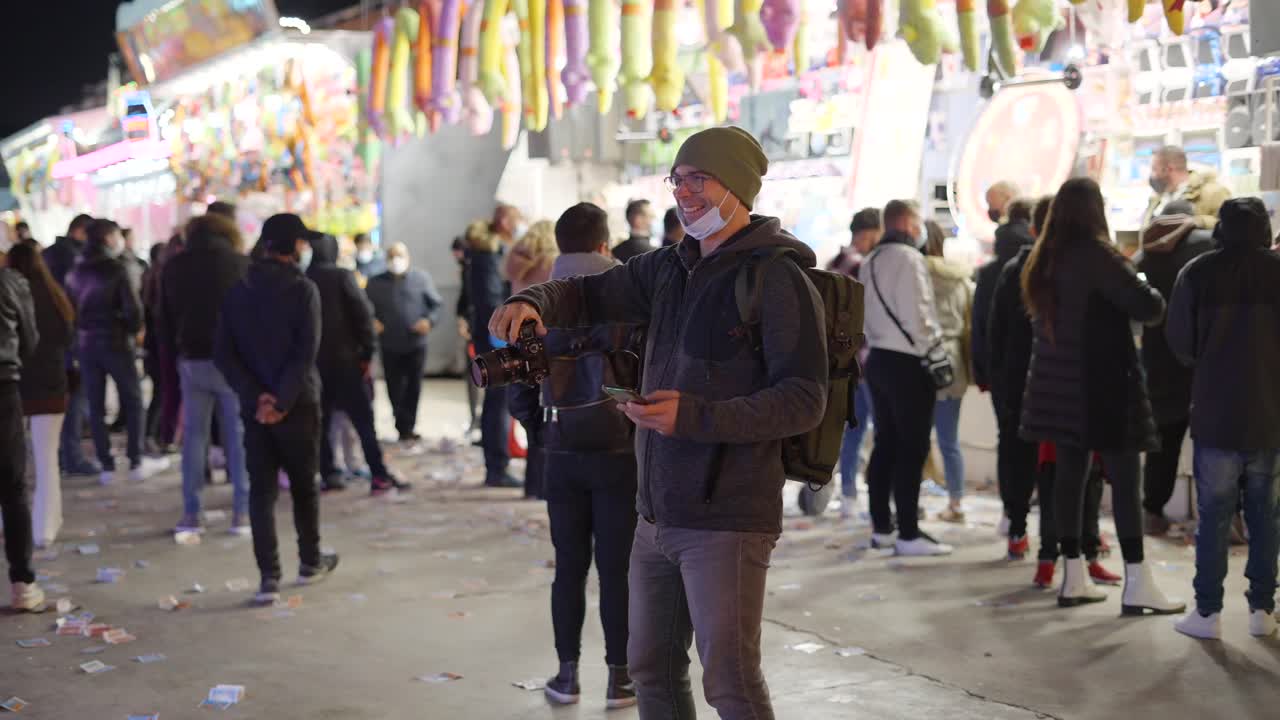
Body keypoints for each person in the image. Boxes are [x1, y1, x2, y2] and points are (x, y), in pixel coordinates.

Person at [493, 126, 827, 718]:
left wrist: (693, 416)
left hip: (727, 519)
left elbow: (803, 399)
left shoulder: (777, 278)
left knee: (730, 682)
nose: (685, 192)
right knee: (649, 670)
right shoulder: (667, 269)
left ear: (738, 186)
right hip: (654, 516)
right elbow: (589, 293)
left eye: (700, 179)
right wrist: (533, 301)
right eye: (679, 178)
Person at [1019, 177, 1184, 614]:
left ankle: (1073, 577)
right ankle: (1138, 582)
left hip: (1057, 389)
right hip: (1103, 384)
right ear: (1095, 210)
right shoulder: (1098, 255)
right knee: (1126, 481)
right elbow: (1150, 306)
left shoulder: (1045, 258)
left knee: (1070, 478)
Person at [508, 202, 640, 709]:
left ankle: (567, 678)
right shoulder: (629, 297)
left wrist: (543, 434)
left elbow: (519, 390)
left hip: (561, 453)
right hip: (620, 453)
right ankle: (620, 679)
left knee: (569, 568)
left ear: (559, 246)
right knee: (617, 569)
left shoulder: (536, 303)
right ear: (605, 245)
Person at [1166, 197, 1280, 640]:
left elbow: (1181, 343)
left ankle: (1208, 612)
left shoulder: (1196, 273)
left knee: (1213, 516)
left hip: (1216, 412)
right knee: (1266, 516)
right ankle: (1263, 610)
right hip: (1270, 416)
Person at [214, 213, 339, 604]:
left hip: (256, 410)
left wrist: (257, 397)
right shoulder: (303, 290)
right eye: (302, 242)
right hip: (298, 404)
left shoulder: (238, 291)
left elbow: (224, 354)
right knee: (304, 487)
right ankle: (310, 562)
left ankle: (268, 576)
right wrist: (282, 400)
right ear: (293, 247)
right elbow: (305, 353)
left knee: (261, 491)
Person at [861, 199, 952, 556]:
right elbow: (920, 316)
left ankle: (882, 528)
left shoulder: (870, 261)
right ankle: (909, 533)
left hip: (877, 360)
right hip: (908, 363)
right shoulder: (910, 259)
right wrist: (935, 352)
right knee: (913, 449)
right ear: (909, 224)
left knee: (884, 445)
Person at [159, 213, 250, 535]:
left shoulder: (174, 267)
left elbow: (164, 319)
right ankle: (242, 513)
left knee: (194, 438)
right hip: (232, 361)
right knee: (237, 437)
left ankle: (191, 514)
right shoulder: (240, 264)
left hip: (191, 359)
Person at [65, 219, 167, 485]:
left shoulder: (75, 271)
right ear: (109, 238)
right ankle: (135, 460)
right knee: (132, 400)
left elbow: (69, 311)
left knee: (96, 405)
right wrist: (133, 329)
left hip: (86, 344)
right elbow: (134, 311)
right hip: (116, 342)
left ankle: (106, 465)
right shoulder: (116, 268)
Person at [1134, 200, 1213, 536]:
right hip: (1203, 359)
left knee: (1163, 443)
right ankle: (1217, 518)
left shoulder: (1144, 255)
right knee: (1213, 445)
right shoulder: (1207, 245)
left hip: (1159, 360)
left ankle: (1152, 511)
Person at [306, 232, 407, 496]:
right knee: (363, 421)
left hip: (315, 365)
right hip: (347, 362)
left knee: (322, 423)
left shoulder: (304, 278)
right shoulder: (342, 276)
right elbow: (363, 314)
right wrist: (367, 352)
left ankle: (330, 473)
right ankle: (378, 474)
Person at [973, 196, 1035, 547]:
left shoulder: (991, 270)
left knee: (1009, 442)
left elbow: (982, 327)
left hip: (1002, 375)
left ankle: (1013, 517)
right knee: (1045, 449)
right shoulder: (1040, 263)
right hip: (1039, 371)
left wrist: (983, 372)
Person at [8, 243, 73, 549]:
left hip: (13, 386)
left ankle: (8, 522)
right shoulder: (54, 295)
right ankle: (44, 529)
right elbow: (67, 338)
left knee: (10, 462)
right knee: (47, 460)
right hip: (50, 384)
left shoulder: (6, 294)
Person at [829, 208, 881, 517]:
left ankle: (848, 494)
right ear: (868, 234)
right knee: (879, 432)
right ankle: (877, 499)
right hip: (866, 360)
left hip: (841, 364)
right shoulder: (861, 266)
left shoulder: (834, 264)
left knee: (851, 432)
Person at [503, 220, 558, 499]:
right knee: (546, 414)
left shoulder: (515, 263)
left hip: (517, 340)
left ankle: (532, 484)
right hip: (544, 342)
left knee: (528, 413)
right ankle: (544, 483)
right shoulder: (551, 263)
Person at [365, 242, 442, 444]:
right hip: (389, 344)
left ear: (408, 257)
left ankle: (408, 426)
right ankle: (402, 425)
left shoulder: (421, 279)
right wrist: (372, 321)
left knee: (413, 386)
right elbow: (364, 308)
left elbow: (436, 305)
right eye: (391, 256)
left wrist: (429, 321)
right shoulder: (374, 283)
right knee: (394, 386)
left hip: (416, 343)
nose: (395, 260)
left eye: (399, 255)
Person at [923, 220, 973, 522]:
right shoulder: (960, 278)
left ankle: (912, 502)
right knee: (949, 440)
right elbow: (969, 321)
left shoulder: (915, 274)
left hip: (923, 359)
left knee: (916, 438)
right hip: (953, 363)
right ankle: (956, 503)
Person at [43, 214, 98, 476]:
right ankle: (72, 457)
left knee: (57, 401)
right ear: (80, 232)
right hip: (69, 338)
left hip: (47, 340)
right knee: (75, 398)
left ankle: (61, 456)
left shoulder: (47, 254)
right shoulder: (74, 259)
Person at [0, 259, 41, 610]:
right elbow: (30, 339)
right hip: (3, 387)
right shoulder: (9, 282)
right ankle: (22, 584)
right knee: (13, 488)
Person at [469, 209, 521, 488]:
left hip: (491, 334)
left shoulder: (487, 254)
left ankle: (497, 465)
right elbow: (491, 301)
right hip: (494, 337)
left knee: (497, 402)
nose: (518, 226)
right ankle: (497, 467)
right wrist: (504, 332)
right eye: (516, 220)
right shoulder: (488, 257)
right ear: (503, 222)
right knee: (498, 402)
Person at [1142, 145, 1231, 229]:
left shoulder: (1214, 192)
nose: (1151, 175)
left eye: (1154, 169)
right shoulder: (1156, 199)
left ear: (1168, 169)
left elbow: (1230, 227)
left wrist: (1198, 221)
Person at [503, 219, 558, 295]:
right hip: (538, 301)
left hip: (516, 298)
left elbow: (506, 276)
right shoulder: (551, 261)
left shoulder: (517, 251)